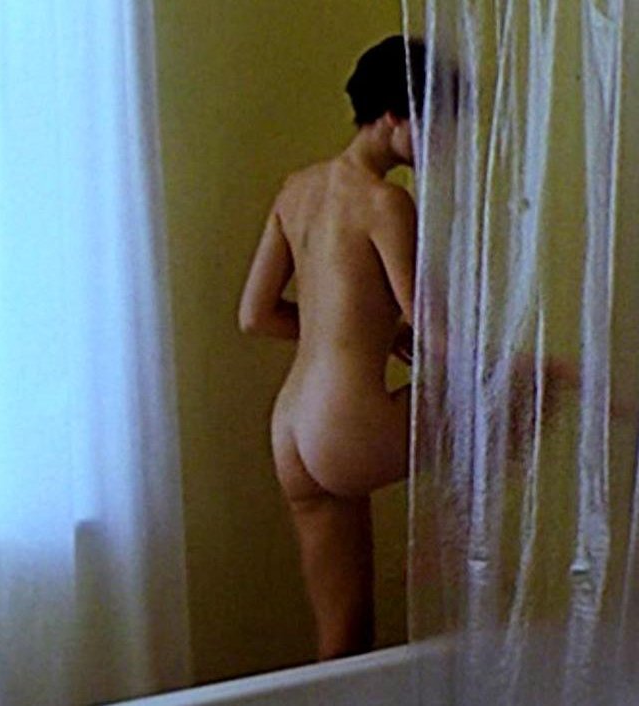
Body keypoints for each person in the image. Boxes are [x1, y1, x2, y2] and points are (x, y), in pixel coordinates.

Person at [237, 35, 425, 661]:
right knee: (532, 387)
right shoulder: (386, 202)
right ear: (394, 116)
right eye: (433, 123)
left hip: (292, 428)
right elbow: (434, 330)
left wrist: (371, 332)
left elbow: (255, 315)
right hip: (346, 423)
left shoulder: (297, 189)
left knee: (343, 640)